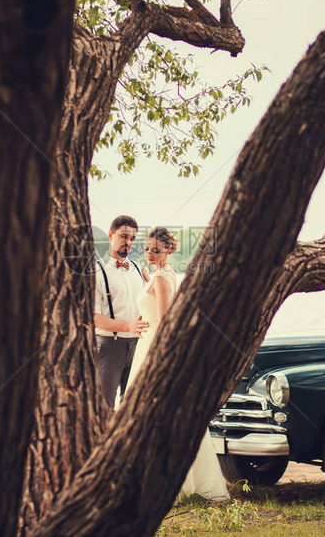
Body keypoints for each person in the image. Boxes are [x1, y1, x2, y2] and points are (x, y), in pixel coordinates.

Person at [125, 227, 229, 503]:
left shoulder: (161, 278)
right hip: (145, 344)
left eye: (155, 250)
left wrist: (159, 359)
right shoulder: (162, 274)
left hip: (153, 350)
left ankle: (165, 482)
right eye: (146, 249)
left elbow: (166, 321)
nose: (149, 254)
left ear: (168, 250)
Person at [93, 215, 149, 408]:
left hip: (139, 346)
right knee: (104, 407)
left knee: (133, 407)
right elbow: (94, 318)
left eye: (132, 239)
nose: (128, 242)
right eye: (124, 236)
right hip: (109, 347)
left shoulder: (137, 269)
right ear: (110, 235)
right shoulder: (97, 271)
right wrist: (128, 326)